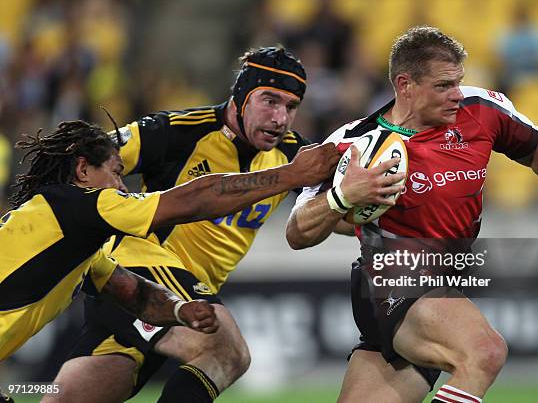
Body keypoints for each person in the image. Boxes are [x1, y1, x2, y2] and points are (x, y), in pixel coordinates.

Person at [286, 26, 538, 403]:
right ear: (405, 85)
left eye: (458, 82)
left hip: (448, 276)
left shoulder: (481, 110)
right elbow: (297, 231)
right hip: (393, 274)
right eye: (442, 86)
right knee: (484, 351)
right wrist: (343, 197)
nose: (456, 95)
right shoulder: (354, 144)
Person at [48, 46, 342, 403]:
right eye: (269, 100)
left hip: (178, 295)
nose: (280, 117)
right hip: (138, 268)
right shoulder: (176, 132)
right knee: (226, 351)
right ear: (241, 96)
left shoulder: (295, 154)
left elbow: (329, 216)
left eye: (291, 106)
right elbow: (82, 162)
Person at [0, 119, 337, 401]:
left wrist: (179, 309)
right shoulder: (74, 205)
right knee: (227, 351)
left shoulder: (74, 242)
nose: (120, 185)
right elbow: (194, 199)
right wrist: (291, 175)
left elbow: (135, 294)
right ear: (83, 170)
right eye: (116, 173)